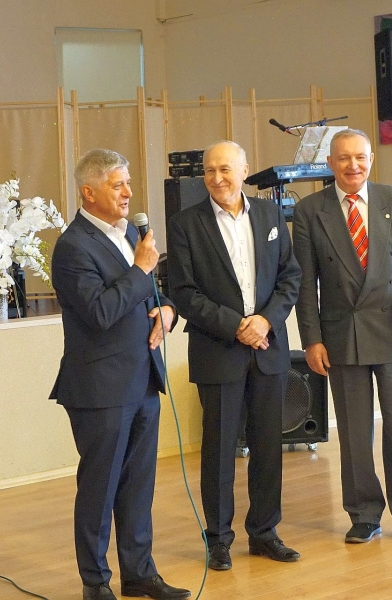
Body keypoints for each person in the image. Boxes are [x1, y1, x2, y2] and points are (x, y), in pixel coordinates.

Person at [50, 149, 190, 600]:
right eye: (117, 185)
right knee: (100, 489)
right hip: (100, 388)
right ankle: (95, 582)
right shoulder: (72, 246)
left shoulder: (130, 232)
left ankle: (139, 573)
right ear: (89, 192)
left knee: (138, 487)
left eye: (128, 183)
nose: (128, 192)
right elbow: (100, 312)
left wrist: (167, 310)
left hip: (143, 378)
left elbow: (152, 292)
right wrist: (141, 269)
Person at [291, 128, 392, 547]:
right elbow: (305, 286)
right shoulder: (309, 211)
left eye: (360, 157)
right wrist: (312, 339)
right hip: (342, 335)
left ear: (371, 159)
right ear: (330, 164)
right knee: (355, 433)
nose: (352, 165)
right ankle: (363, 514)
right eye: (343, 158)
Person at [166, 141, 302, 568]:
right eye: (210, 170)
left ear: (245, 171)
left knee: (268, 448)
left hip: (268, 349)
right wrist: (238, 326)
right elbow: (184, 292)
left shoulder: (269, 214)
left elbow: (290, 277)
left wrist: (265, 321)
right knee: (219, 451)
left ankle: (264, 532)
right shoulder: (185, 224)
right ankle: (219, 539)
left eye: (225, 169)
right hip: (218, 351)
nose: (217, 178)